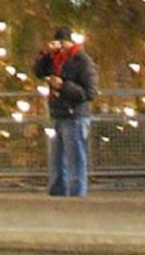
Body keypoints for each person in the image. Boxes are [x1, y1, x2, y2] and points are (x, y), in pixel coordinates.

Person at [33, 27, 99, 197]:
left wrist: (64, 86)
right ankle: (57, 191)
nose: (59, 47)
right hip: (57, 113)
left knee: (75, 158)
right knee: (57, 158)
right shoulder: (55, 59)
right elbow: (38, 72)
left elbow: (90, 92)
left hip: (74, 115)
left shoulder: (82, 61)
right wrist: (45, 54)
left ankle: (77, 193)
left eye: (62, 43)